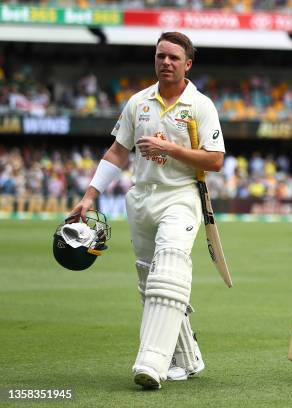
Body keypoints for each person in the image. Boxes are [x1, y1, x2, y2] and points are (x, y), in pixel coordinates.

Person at [69, 32, 225, 389]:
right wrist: (90, 196)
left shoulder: (200, 105)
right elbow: (117, 153)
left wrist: (168, 149)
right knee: (150, 282)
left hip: (181, 195)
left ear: (188, 64)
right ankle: (187, 357)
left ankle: (151, 363)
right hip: (141, 198)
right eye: (160, 56)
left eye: (173, 57)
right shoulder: (138, 102)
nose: (165, 62)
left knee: (168, 269)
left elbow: (215, 160)